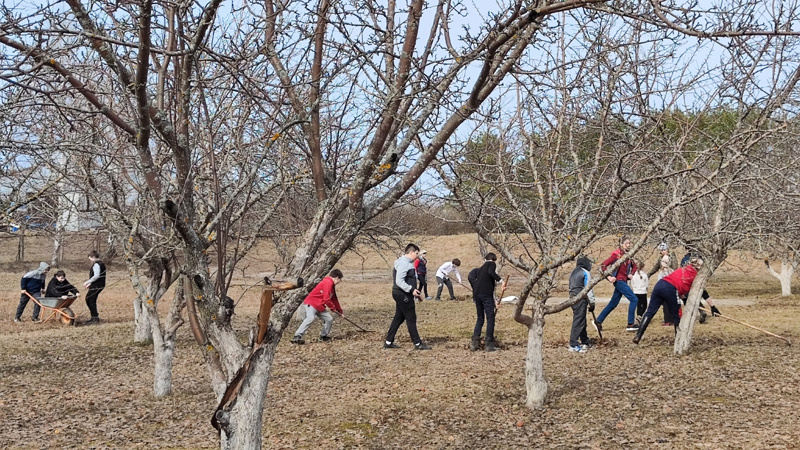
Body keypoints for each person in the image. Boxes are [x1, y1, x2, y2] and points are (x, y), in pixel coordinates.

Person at [633, 256, 719, 344]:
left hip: (659, 285)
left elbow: (679, 286)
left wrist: (684, 298)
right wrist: (713, 307)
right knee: (676, 314)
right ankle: (678, 340)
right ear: (699, 267)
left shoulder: (683, 269)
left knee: (650, 312)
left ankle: (638, 335)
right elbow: (703, 293)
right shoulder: (696, 277)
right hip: (670, 288)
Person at [384, 243, 431, 350]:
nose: (417, 255)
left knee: (399, 318)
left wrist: (415, 292)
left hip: (402, 294)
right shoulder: (404, 263)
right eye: (416, 253)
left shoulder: (404, 262)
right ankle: (418, 343)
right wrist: (411, 290)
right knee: (411, 318)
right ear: (410, 252)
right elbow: (399, 281)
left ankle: (388, 342)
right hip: (403, 294)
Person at [594, 236, 639, 333]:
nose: (628, 245)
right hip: (619, 281)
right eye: (626, 243)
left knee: (613, 303)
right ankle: (630, 324)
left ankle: (598, 321)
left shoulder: (629, 256)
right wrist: (609, 277)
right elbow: (603, 265)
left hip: (623, 280)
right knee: (634, 299)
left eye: (629, 243)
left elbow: (635, 266)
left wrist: (631, 274)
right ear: (621, 244)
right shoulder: (616, 255)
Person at [290, 269, 344, 344]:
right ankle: (297, 336)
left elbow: (334, 299)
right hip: (311, 303)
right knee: (310, 318)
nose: (339, 282)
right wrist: (333, 309)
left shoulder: (332, 286)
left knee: (329, 319)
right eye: (339, 280)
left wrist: (340, 311)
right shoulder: (327, 282)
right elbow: (326, 299)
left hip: (320, 305)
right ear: (337, 278)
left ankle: (323, 336)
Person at [470, 253, 504, 352]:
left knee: (480, 317)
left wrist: (494, 302)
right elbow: (491, 273)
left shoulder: (480, 269)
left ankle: (474, 343)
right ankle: (489, 343)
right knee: (490, 317)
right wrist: (501, 281)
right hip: (485, 295)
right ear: (493, 260)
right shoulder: (491, 265)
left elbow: (486, 285)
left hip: (477, 295)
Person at [568, 256, 597, 353]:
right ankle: (573, 343)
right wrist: (592, 303)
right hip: (580, 298)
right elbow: (588, 288)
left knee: (581, 320)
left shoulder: (574, 271)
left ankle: (585, 341)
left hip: (572, 297)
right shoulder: (585, 272)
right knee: (579, 320)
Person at [648, 243, 676, 326]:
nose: (663, 252)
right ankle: (670, 319)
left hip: (668, 284)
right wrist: (648, 274)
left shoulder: (671, 260)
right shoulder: (661, 259)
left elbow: (675, 267)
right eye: (661, 251)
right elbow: (656, 267)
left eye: (664, 250)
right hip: (668, 283)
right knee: (668, 302)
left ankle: (668, 320)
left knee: (666, 302)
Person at [82, 250, 106, 325]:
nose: (90, 260)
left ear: (93, 257)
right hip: (98, 284)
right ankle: (94, 317)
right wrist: (90, 284)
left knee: (90, 300)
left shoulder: (97, 264)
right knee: (89, 299)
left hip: (97, 285)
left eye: (90, 258)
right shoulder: (101, 263)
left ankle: (95, 318)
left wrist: (87, 282)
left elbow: (96, 276)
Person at [630, 259, 649, 326]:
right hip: (643, 292)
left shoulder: (633, 275)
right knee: (644, 306)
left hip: (636, 292)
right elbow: (646, 284)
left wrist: (634, 289)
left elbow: (632, 283)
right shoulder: (645, 275)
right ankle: (639, 316)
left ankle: (638, 316)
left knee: (638, 305)